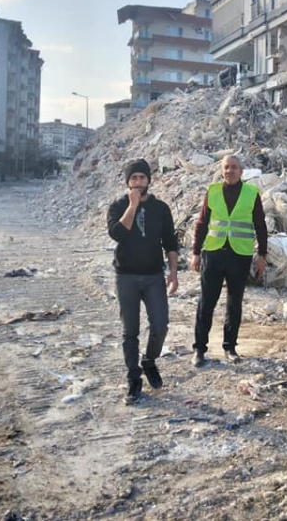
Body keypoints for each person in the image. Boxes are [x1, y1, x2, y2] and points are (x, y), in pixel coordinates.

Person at [107, 158, 179, 405]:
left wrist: (173, 272)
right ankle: (134, 379)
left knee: (160, 325)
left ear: (149, 180)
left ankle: (149, 361)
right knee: (131, 332)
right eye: (134, 178)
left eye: (142, 177)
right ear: (127, 181)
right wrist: (132, 206)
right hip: (126, 276)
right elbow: (117, 234)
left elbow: (170, 242)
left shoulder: (161, 209)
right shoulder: (118, 206)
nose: (138, 182)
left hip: (153, 276)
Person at [190, 155, 267, 367]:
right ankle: (199, 349)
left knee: (234, 304)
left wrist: (262, 255)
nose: (229, 171)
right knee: (206, 302)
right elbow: (202, 223)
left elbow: (260, 226)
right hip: (213, 254)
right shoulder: (213, 191)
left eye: (234, 167)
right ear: (222, 170)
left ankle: (230, 347)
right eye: (226, 167)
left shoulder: (252, 194)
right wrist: (196, 252)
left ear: (241, 171)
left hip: (239, 256)